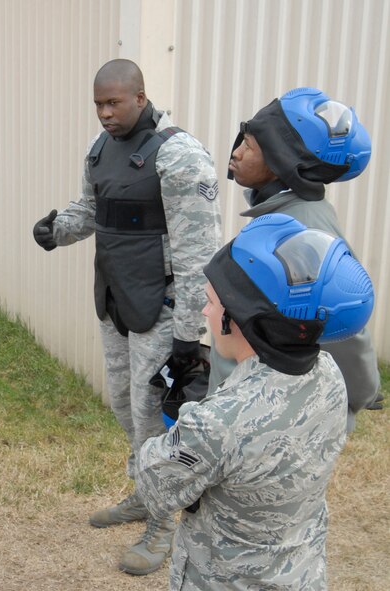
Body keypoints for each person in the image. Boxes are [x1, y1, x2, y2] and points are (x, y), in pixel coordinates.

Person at [32, 59, 221, 574]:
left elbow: (198, 252)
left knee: (150, 415)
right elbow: (91, 211)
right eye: (98, 104)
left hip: (161, 310)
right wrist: (57, 229)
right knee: (123, 404)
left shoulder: (178, 155)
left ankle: (162, 524)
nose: (104, 114)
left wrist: (189, 334)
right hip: (116, 301)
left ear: (140, 96)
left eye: (113, 103)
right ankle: (144, 493)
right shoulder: (99, 150)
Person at [135, 213, 374, 590]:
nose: (205, 312)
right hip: (301, 575)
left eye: (212, 302)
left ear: (240, 317)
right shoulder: (327, 374)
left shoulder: (215, 423)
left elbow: (153, 488)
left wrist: (183, 424)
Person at [213, 86, 380, 430]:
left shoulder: (304, 224)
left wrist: (360, 393)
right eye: (242, 139)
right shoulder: (283, 212)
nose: (237, 152)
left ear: (279, 166)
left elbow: (343, 316)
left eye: (250, 146)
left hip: (273, 418)